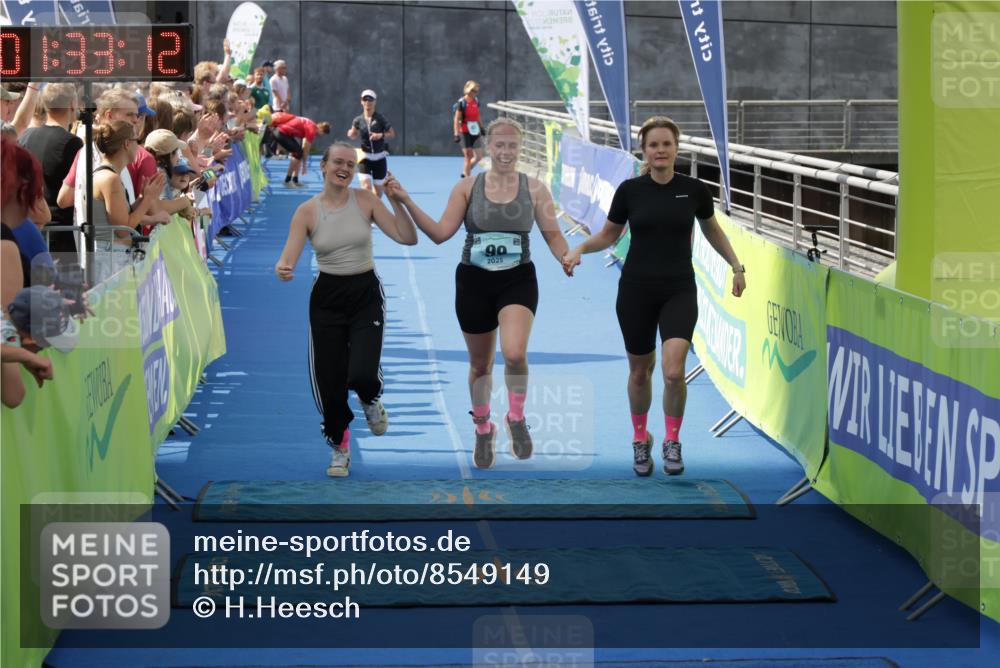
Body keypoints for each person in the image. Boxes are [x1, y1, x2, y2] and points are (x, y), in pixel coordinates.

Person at [562, 116, 747, 477]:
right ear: (644, 151)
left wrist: (737, 266)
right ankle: (639, 438)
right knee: (639, 372)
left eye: (667, 144)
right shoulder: (631, 190)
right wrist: (580, 247)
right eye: (653, 145)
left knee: (674, 371)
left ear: (677, 148)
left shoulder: (694, 190)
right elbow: (609, 235)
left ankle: (672, 440)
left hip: (678, 288)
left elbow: (713, 232)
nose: (661, 150)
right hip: (636, 290)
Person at [386, 118, 571, 469]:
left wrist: (566, 256)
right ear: (487, 147)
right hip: (474, 280)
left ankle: (515, 418)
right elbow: (441, 233)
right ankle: (483, 428)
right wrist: (406, 200)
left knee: (515, 354)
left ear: (521, 149)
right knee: (480, 365)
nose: (505, 152)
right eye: (498, 145)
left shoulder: (535, 190)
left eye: (512, 146)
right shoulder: (468, 188)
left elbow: (554, 235)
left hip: (517, 279)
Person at [274, 142, 418, 477]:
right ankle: (340, 447)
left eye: (350, 165)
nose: (344, 169)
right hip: (327, 297)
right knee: (330, 382)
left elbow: (407, 237)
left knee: (362, 374)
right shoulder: (307, 211)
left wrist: (399, 203)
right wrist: (283, 268)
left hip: (365, 291)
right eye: (338, 162)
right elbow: (288, 258)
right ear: (323, 166)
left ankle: (370, 399)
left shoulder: (365, 200)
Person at [89, 121, 165, 282]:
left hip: (112, 255)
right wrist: (148, 200)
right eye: (137, 140)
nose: (139, 146)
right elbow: (124, 229)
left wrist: (142, 199)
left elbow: (122, 215)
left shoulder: (110, 175)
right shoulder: (110, 178)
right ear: (126, 144)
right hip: (111, 258)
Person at [19, 83, 83, 254]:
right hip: (62, 235)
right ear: (72, 105)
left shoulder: (26, 136)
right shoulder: (72, 143)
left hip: (31, 228)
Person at [348, 90, 395, 197]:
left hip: (379, 158)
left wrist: (380, 135)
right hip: (364, 158)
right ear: (361, 101)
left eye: (370, 99)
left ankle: (373, 212)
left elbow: (391, 133)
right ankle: (366, 212)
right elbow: (354, 134)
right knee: (366, 187)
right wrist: (351, 134)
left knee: (378, 193)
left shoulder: (381, 118)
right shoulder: (357, 120)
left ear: (375, 102)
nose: (368, 102)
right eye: (365, 99)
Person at [269, 112, 331, 187]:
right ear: (321, 129)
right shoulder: (312, 129)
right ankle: (287, 181)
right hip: (280, 132)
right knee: (298, 153)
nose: (321, 136)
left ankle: (295, 180)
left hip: (281, 132)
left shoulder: (310, 124)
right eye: (323, 134)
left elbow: (303, 147)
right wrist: (304, 165)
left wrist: (302, 159)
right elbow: (306, 148)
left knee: (298, 153)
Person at [454, 80, 484, 179]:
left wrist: (482, 127)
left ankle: (465, 171)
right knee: (468, 155)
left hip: (474, 130)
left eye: (477, 91)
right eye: (474, 91)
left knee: (479, 156)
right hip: (464, 130)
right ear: (468, 90)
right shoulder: (461, 103)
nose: (476, 93)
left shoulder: (476, 101)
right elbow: (457, 119)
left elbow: (478, 115)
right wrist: (456, 133)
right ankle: (467, 178)